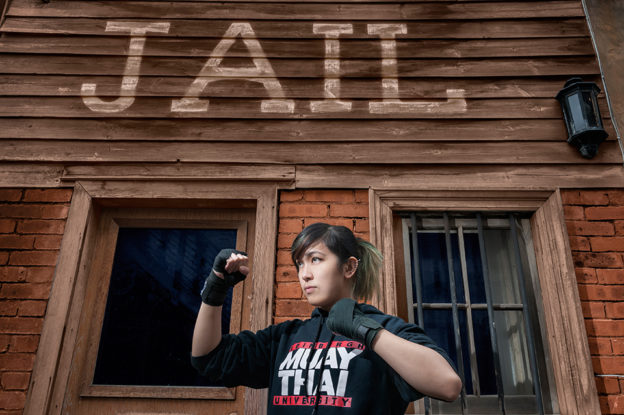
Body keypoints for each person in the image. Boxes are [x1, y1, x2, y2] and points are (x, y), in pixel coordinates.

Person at [191, 222, 462, 414]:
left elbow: (448, 386)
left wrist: (367, 331)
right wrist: (215, 289)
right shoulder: (285, 338)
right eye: (300, 264)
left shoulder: (387, 330)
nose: (304, 274)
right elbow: (208, 358)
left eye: (316, 259)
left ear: (348, 266)